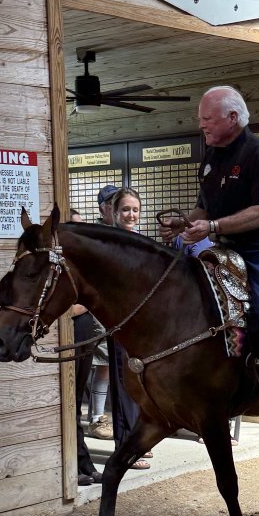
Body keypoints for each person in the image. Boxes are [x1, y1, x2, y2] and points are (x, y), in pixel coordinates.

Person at [160, 85, 259, 433]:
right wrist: (183, 224)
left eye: (207, 119)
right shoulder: (211, 155)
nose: (202, 125)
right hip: (225, 245)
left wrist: (211, 226)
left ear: (233, 118)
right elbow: (204, 207)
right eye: (201, 120)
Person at [109, 187, 150, 470]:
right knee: (124, 384)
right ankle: (126, 446)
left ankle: (139, 441)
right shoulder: (111, 241)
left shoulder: (140, 240)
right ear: (114, 213)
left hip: (142, 323)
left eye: (135, 209)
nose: (131, 215)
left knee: (140, 383)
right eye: (125, 209)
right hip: (121, 321)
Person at [68, 210, 102, 487]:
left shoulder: (86, 262)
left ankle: (83, 461)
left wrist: (80, 307)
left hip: (82, 327)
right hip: (68, 329)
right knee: (67, 402)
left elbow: (91, 300)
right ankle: (75, 463)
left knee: (77, 399)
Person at [83, 184, 118, 442]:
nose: (117, 210)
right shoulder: (95, 235)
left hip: (124, 308)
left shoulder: (123, 233)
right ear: (103, 208)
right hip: (100, 308)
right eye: (112, 204)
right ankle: (96, 418)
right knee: (104, 364)